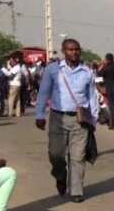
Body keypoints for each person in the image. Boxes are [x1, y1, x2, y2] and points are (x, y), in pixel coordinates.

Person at [35, 38, 98, 202]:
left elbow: (92, 97)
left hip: (80, 120)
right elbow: (43, 93)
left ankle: (76, 191)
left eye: (77, 49)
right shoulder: (53, 70)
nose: (74, 52)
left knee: (78, 157)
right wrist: (39, 115)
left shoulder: (87, 72)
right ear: (64, 51)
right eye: (70, 50)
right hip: (58, 118)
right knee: (56, 154)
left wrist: (94, 119)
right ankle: (60, 176)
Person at [99, 54, 114, 130]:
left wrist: (100, 87)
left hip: (110, 89)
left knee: (112, 108)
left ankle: (113, 125)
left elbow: (99, 76)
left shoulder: (106, 68)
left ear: (106, 59)